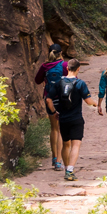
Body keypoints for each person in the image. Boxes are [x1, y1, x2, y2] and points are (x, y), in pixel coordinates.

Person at [47, 56, 91, 181]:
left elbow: (48, 99)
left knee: (65, 145)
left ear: (67, 68)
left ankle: (66, 169)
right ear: (78, 69)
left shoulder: (59, 83)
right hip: (76, 118)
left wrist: (54, 111)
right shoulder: (80, 83)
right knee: (75, 145)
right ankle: (70, 170)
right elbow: (88, 101)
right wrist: (95, 104)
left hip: (63, 118)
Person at [34, 42, 67, 172]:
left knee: (54, 129)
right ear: (61, 53)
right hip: (62, 100)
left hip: (49, 99)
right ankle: (59, 161)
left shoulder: (45, 66)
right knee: (61, 129)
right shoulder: (64, 65)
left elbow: (37, 80)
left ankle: (54, 158)